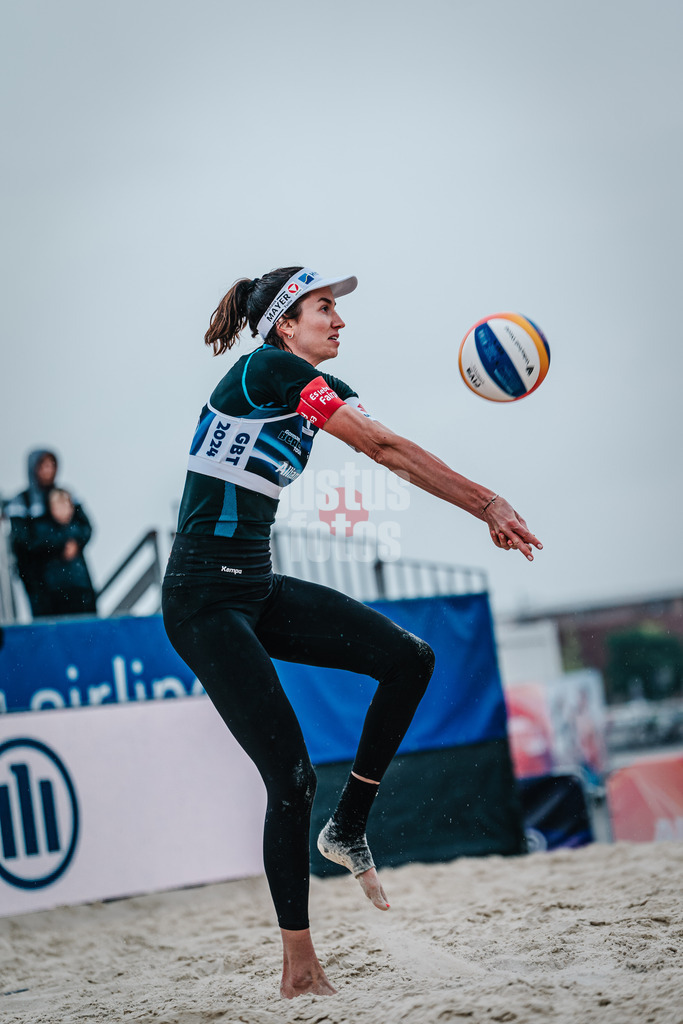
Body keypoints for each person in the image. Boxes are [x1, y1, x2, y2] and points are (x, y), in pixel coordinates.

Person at [161, 266, 542, 999]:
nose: (339, 321)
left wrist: (478, 499)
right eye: (323, 308)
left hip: (254, 586)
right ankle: (299, 969)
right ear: (283, 323)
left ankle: (350, 826)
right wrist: (487, 502)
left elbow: (390, 442)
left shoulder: (322, 387)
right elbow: (380, 452)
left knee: (408, 659)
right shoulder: (267, 369)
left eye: (337, 309)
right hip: (202, 599)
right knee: (292, 778)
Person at [6, 450, 97, 618]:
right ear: (33, 468)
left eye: (51, 465)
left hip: (76, 580)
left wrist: (75, 543)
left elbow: (87, 527)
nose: (47, 471)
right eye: (43, 466)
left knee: (86, 629)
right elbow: (25, 540)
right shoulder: (22, 502)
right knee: (50, 631)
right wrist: (60, 545)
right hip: (41, 584)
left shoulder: (67, 495)